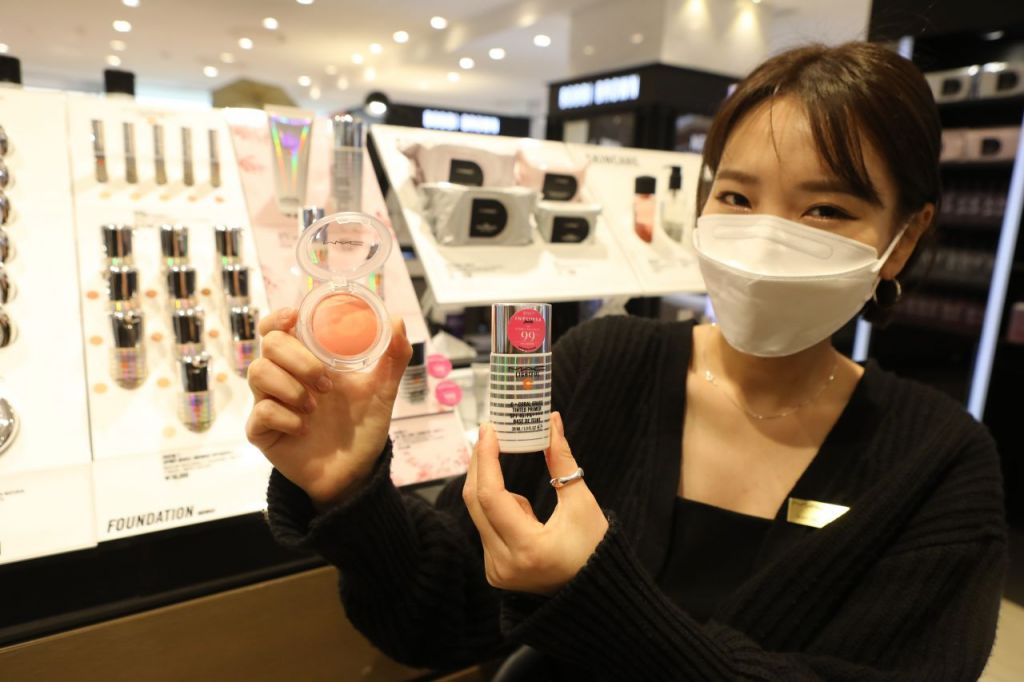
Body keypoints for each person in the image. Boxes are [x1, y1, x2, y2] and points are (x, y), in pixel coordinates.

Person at [247, 42, 1007, 680]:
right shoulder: (603, 365)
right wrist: (352, 492)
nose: (766, 237)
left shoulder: (938, 466)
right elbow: (441, 617)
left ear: (903, 239)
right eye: (737, 198)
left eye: (826, 210)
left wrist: (595, 596)